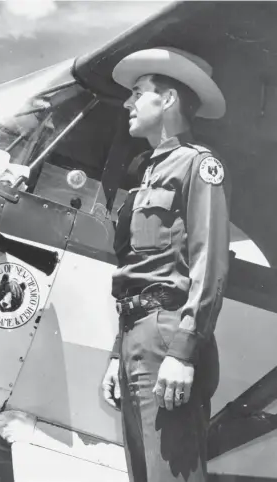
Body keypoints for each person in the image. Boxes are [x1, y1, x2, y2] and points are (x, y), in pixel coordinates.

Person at [101, 47, 231, 482]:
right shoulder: (148, 173)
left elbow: (208, 263)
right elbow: (138, 272)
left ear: (169, 100)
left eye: (139, 92)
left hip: (167, 336)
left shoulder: (198, 165)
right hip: (136, 336)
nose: (127, 103)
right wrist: (117, 353)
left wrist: (183, 351)